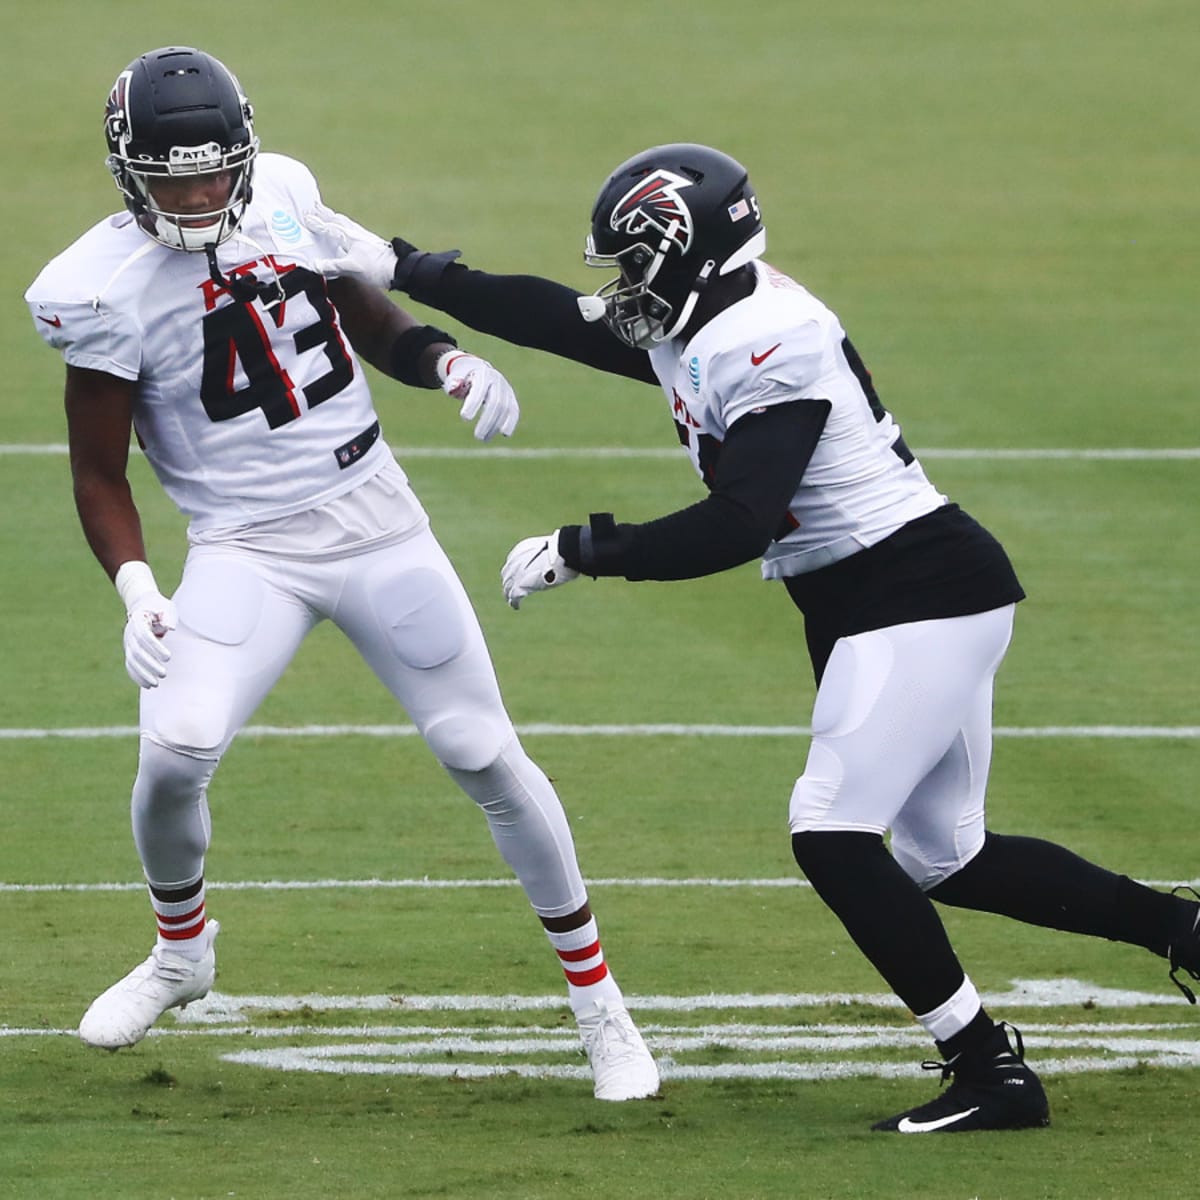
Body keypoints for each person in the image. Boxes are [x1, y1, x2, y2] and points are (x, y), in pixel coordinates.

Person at [307, 141, 1200, 1132]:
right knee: (946, 855)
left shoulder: (771, 336)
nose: (621, 287)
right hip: (888, 595)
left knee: (832, 834)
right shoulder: (706, 311)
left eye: (635, 263)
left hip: (915, 591)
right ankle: (1187, 932)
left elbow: (743, 519)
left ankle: (988, 1068)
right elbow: (556, 317)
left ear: (690, 253)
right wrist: (406, 266)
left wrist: (588, 548)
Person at [23, 46, 660, 1103]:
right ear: (127, 171)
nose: (196, 195)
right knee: (175, 747)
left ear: (245, 156)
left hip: (377, 525)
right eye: (172, 177)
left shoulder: (279, 193)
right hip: (242, 547)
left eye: (213, 172)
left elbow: (360, 306)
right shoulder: (96, 289)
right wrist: (137, 584)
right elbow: (98, 469)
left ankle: (603, 1009)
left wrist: (441, 357)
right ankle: (183, 953)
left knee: (482, 751)